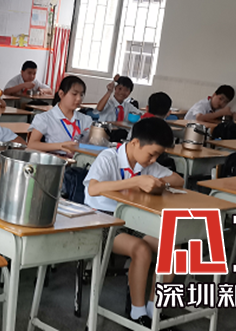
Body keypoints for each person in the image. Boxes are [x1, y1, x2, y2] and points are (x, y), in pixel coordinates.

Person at [83, 117, 183, 327]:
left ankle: (154, 310)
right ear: (135, 143)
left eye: (158, 155)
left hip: (132, 220)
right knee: (141, 250)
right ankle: (138, 314)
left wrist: (159, 182)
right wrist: (135, 181)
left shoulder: (146, 163)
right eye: (152, 154)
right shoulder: (108, 157)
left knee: (172, 250)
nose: (154, 160)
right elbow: (93, 188)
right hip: (101, 221)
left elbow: (178, 180)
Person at [27, 75, 92, 155]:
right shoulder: (44, 118)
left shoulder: (86, 119)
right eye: (74, 94)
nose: (79, 98)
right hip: (56, 159)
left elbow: (93, 145)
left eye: (81, 95)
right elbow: (32, 144)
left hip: (80, 159)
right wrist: (60, 146)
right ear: (61, 94)